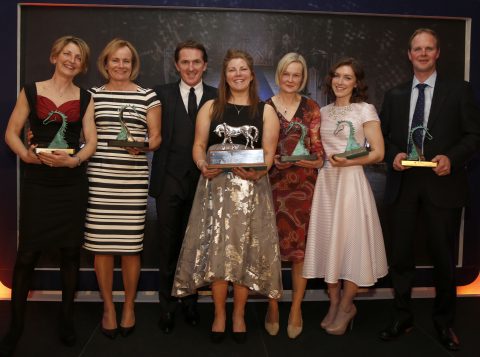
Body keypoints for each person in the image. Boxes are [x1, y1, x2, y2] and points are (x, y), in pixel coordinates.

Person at [379, 28, 480, 351]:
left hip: (444, 185)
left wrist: (452, 157)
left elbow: (473, 135)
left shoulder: (459, 91)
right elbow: (386, 136)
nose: (422, 54)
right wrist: (394, 153)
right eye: (417, 49)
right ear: (409, 55)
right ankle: (402, 316)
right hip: (404, 186)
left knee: (443, 260)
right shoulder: (394, 94)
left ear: (437, 53)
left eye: (429, 49)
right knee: (401, 258)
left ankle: (443, 322)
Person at [172, 49, 282, 343]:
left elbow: (269, 153)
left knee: (244, 252)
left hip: (251, 191)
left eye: (243, 69)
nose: (238, 74)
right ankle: (220, 313)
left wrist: (260, 171)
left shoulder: (265, 110)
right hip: (216, 190)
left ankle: (239, 315)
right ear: (224, 76)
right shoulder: (211, 107)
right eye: (232, 69)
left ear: (251, 74)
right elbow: (198, 145)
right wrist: (201, 164)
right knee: (219, 253)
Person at [1, 36, 96, 356]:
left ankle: (66, 321)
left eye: (78, 57)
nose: (71, 60)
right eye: (67, 54)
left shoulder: (86, 98)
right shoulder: (31, 90)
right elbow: (11, 132)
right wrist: (25, 156)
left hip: (71, 185)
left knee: (70, 254)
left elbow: (91, 142)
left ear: (82, 66)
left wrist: (75, 160)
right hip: (38, 184)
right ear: (54, 56)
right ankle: (15, 327)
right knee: (27, 255)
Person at [303, 57, 388, 335]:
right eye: (337, 76)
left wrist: (347, 161)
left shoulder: (365, 109)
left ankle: (347, 305)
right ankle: (334, 302)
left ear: (357, 83)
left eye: (347, 77)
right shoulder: (322, 111)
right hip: (326, 184)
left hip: (351, 184)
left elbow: (377, 152)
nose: (340, 81)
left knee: (352, 245)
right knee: (330, 244)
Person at [83, 38, 161, 339]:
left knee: (130, 249)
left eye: (126, 60)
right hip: (100, 180)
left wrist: (142, 147)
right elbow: (86, 136)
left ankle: (128, 305)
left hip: (132, 181)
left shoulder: (148, 96)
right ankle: (108, 307)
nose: (120, 65)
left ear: (133, 64)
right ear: (105, 63)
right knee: (101, 249)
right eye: (115, 60)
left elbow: (156, 137)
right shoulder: (92, 96)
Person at [148, 40, 217, 334]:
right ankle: (167, 308)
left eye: (196, 62)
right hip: (169, 184)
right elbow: (146, 133)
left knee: (199, 249)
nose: (191, 67)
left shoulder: (218, 97)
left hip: (207, 183)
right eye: (185, 62)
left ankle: (191, 304)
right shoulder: (159, 94)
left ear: (205, 65)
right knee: (168, 249)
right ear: (177, 65)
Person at [264, 52, 324, 339]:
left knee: (299, 254)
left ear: (303, 79)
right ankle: (273, 305)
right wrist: (273, 159)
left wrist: (299, 160)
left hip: (303, 190)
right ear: (279, 75)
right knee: (271, 252)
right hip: (270, 188)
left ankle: (296, 307)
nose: (291, 79)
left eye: (296, 75)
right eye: (286, 74)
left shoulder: (311, 107)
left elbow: (319, 155)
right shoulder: (264, 107)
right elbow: (261, 151)